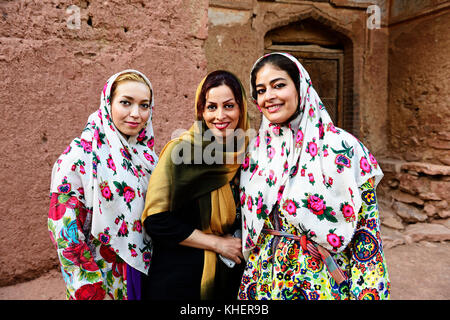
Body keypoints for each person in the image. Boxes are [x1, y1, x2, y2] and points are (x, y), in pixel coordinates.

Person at [238, 52, 390, 300]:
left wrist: (368, 293)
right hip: (263, 281)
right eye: (261, 90)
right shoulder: (255, 153)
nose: (269, 96)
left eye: (279, 85)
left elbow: (367, 235)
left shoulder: (345, 150)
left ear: (300, 87)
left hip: (321, 283)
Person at [48, 70, 158, 300]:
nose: (136, 114)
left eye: (144, 105)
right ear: (107, 103)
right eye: (126, 103)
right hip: (104, 280)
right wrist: (90, 289)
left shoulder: (147, 158)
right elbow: (65, 234)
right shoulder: (80, 157)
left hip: (147, 275)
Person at [141, 70, 250, 300]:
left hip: (229, 279)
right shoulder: (180, 152)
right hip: (180, 280)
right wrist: (218, 244)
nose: (220, 116)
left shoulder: (247, 154)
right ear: (201, 110)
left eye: (229, 106)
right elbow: (156, 220)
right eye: (211, 107)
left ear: (241, 109)